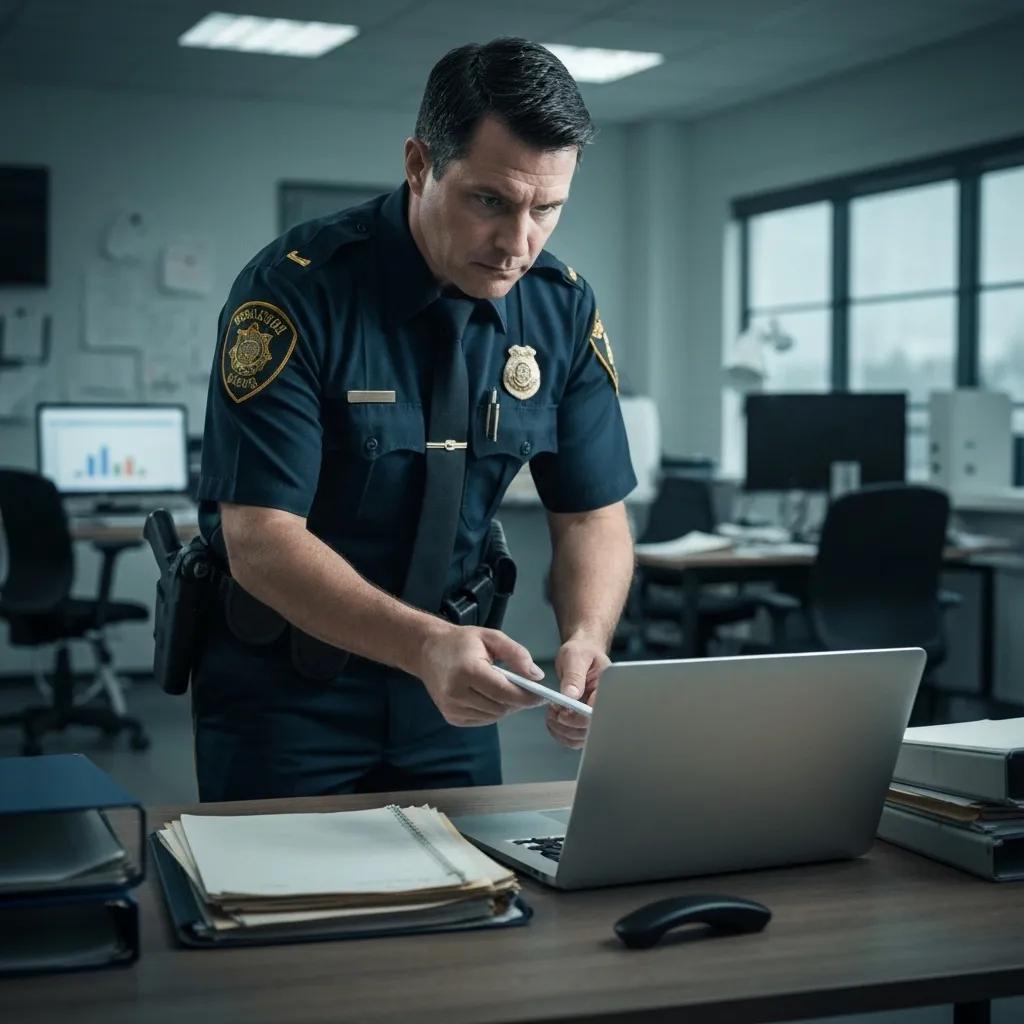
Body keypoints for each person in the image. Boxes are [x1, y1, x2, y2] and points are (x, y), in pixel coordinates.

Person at [193, 37, 636, 801]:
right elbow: (259, 540)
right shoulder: (296, 292)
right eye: (490, 201)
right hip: (287, 688)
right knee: (282, 916)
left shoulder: (560, 307)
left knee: (474, 906)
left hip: (454, 691)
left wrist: (586, 639)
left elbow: (593, 516)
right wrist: (425, 644)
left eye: (549, 209)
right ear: (419, 164)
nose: (518, 244)